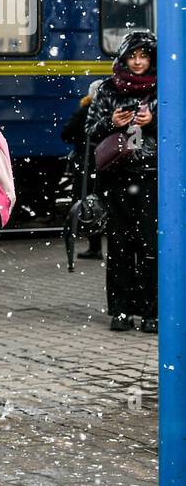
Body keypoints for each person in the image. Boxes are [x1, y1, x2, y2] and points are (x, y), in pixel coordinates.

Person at [86, 31, 157, 333]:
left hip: (153, 177)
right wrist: (110, 123)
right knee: (119, 246)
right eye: (133, 56)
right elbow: (90, 132)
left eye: (144, 56)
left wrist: (154, 121)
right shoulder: (107, 89)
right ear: (123, 58)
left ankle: (152, 311)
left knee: (152, 246)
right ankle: (122, 310)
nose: (138, 62)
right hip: (117, 177)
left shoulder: (165, 89)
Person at [62, 79, 106, 261]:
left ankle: (94, 246)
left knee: (88, 202)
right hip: (105, 162)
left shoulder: (85, 111)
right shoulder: (109, 111)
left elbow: (66, 134)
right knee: (103, 202)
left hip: (87, 162)